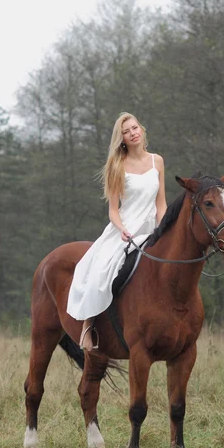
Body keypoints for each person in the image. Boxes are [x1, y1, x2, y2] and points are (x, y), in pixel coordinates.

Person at [67, 112, 167, 351]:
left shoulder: (157, 161)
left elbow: (161, 203)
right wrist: (121, 229)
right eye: (126, 131)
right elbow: (113, 210)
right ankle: (88, 325)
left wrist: (164, 229)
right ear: (121, 138)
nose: (133, 133)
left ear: (141, 129)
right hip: (125, 228)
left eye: (135, 128)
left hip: (151, 227)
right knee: (101, 269)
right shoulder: (117, 165)